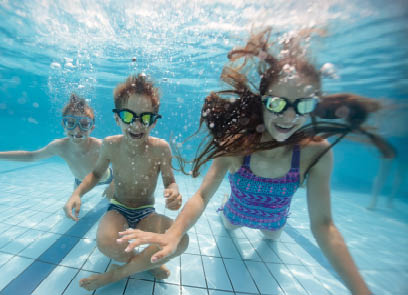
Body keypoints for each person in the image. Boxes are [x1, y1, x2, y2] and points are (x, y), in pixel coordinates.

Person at [116, 29, 394, 295]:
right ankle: (230, 204)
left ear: (314, 105)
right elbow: (201, 195)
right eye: (277, 104)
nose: (288, 116)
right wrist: (175, 233)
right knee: (229, 227)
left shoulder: (315, 153)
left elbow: (323, 224)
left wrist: (360, 290)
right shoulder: (238, 146)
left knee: (272, 238)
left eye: (303, 106)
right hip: (235, 213)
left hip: (276, 220)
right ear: (262, 102)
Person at [63, 74, 189, 291]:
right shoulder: (111, 145)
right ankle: (145, 265)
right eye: (128, 116)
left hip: (146, 211)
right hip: (118, 208)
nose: (137, 124)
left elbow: (170, 181)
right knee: (106, 243)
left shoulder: (161, 148)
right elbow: (95, 174)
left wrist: (173, 194)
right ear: (117, 119)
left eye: (146, 118)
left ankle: (118, 273)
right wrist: (77, 194)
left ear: (154, 119)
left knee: (180, 240)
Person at [0, 93, 113, 192]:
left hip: (107, 179)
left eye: (84, 124)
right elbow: (31, 156)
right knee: (73, 210)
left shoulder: (100, 145)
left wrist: (113, 185)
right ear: (63, 125)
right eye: (70, 123)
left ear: (91, 128)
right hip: (80, 181)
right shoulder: (59, 146)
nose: (77, 130)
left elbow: (121, 163)